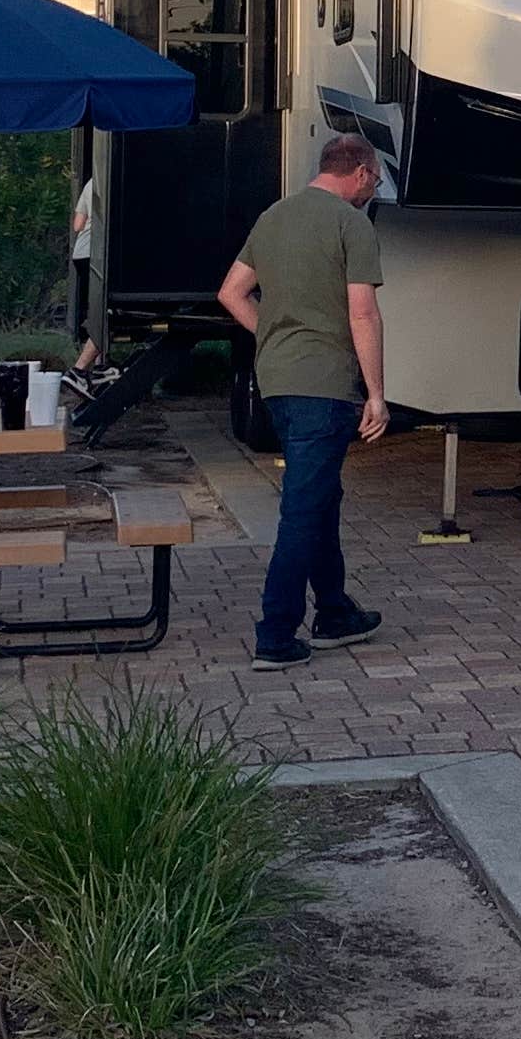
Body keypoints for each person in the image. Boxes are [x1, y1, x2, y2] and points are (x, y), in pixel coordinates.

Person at [216, 132, 390, 666]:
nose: (375, 188)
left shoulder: (273, 217)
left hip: (278, 383)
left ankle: (335, 612)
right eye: (376, 179)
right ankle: (275, 634)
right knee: (300, 510)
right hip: (325, 384)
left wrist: (270, 333)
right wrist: (377, 395)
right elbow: (362, 312)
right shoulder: (351, 224)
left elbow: (230, 292)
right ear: (358, 171)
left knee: (319, 500)